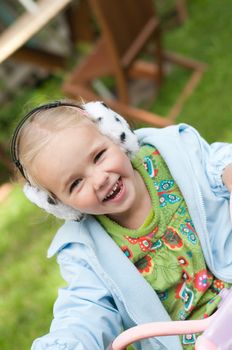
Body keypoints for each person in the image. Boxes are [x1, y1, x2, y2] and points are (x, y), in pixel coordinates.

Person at [11, 100, 232, 350]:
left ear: (115, 135)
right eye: (75, 184)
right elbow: (85, 309)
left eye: (98, 156)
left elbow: (216, 162)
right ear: (61, 204)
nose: (99, 179)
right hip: (195, 342)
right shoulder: (85, 252)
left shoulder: (174, 154)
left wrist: (226, 171)